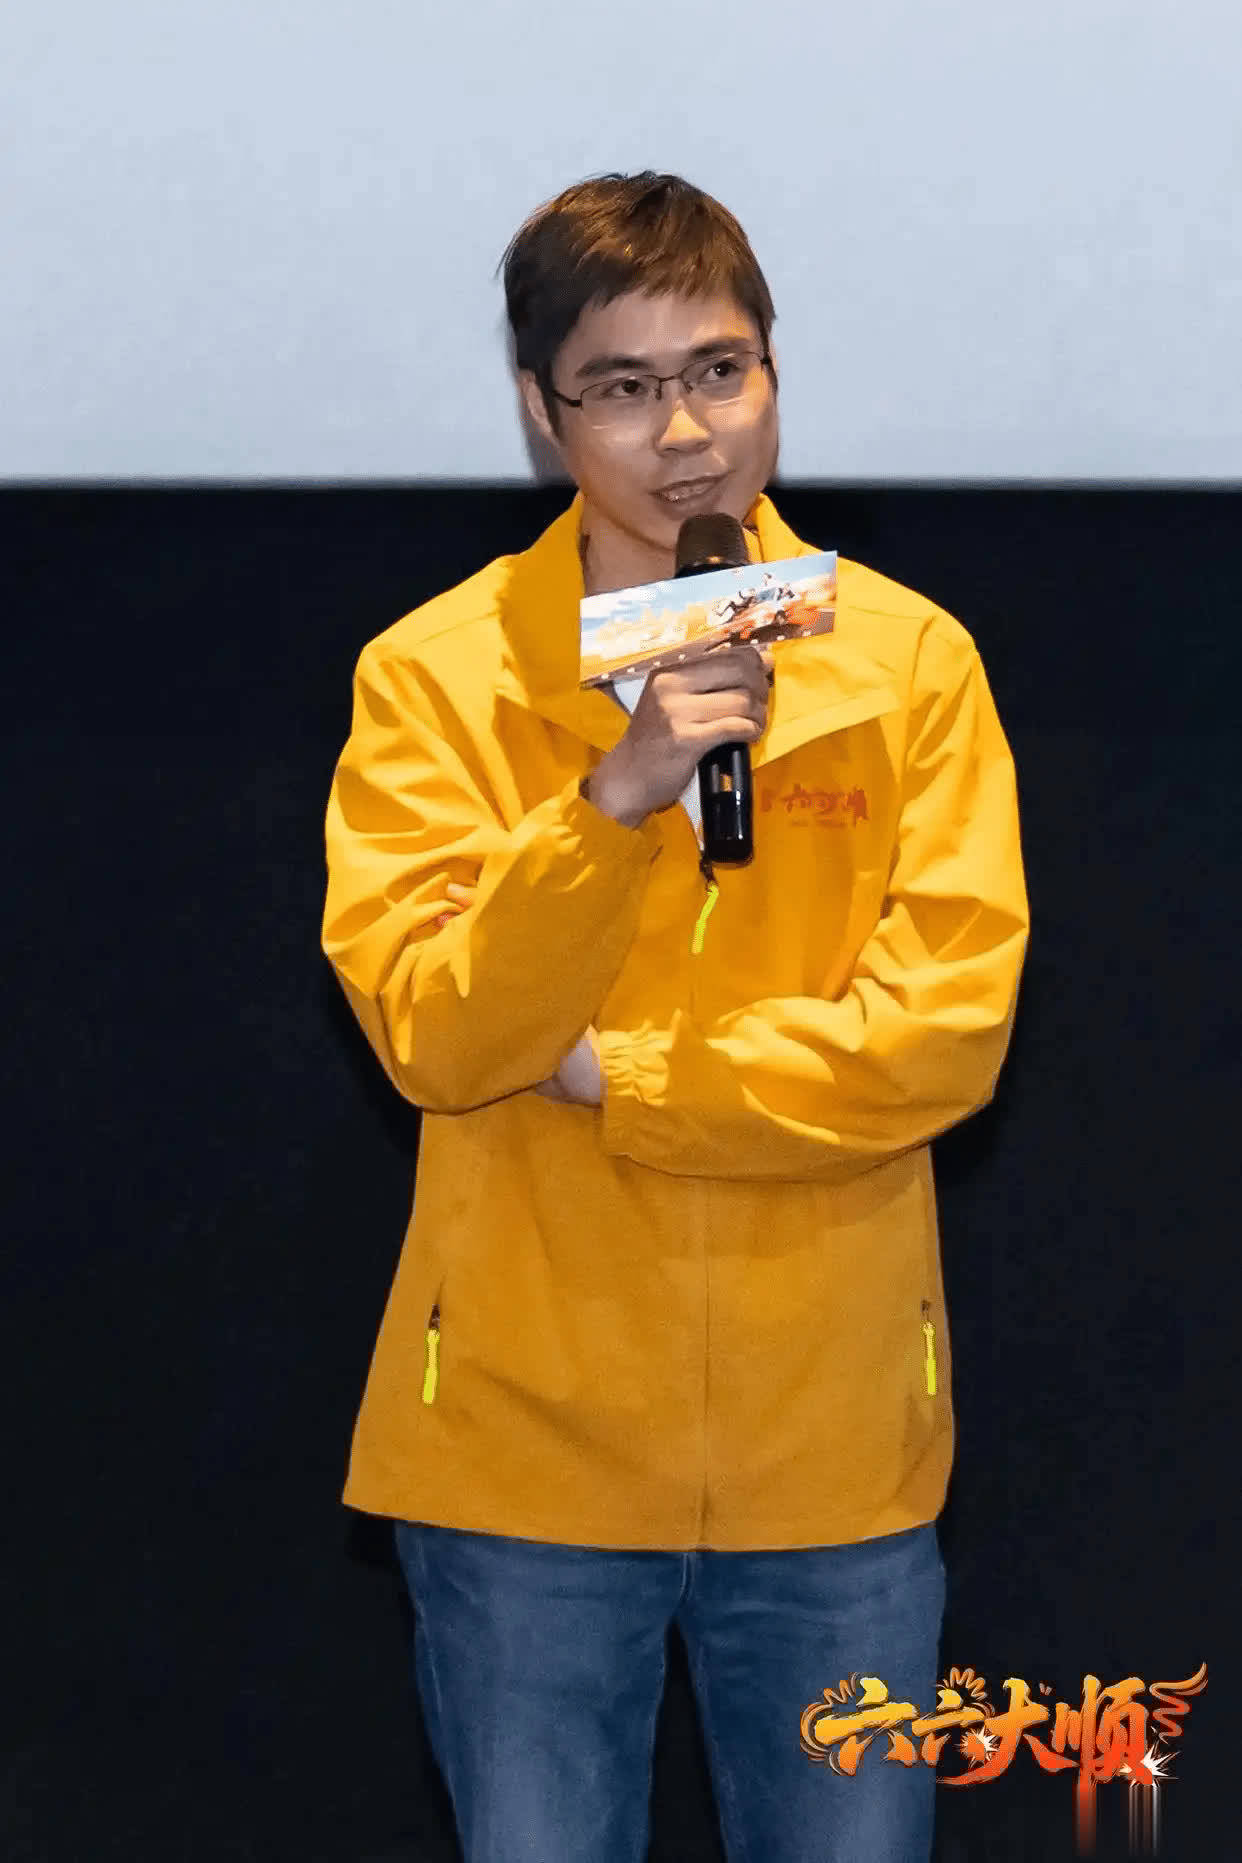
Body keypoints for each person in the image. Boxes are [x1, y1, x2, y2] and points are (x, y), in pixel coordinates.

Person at [321, 171, 1028, 1863]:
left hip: (832, 1451)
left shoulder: (906, 660)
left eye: (719, 371)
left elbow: (938, 1036)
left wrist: (614, 1075)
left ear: (773, 370)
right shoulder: (438, 674)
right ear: (540, 411)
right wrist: (608, 802)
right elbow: (435, 1034)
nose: (686, 432)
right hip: (524, 1450)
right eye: (623, 388)